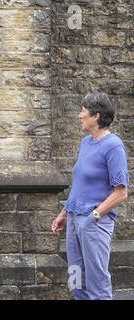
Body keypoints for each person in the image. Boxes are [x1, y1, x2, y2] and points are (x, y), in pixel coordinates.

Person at [51, 92, 129, 300]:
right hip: (75, 220)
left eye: (83, 111)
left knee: (97, 283)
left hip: (94, 222)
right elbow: (81, 185)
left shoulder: (114, 145)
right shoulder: (85, 143)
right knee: (76, 279)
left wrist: (94, 215)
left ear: (96, 116)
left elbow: (121, 193)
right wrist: (64, 212)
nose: (79, 115)